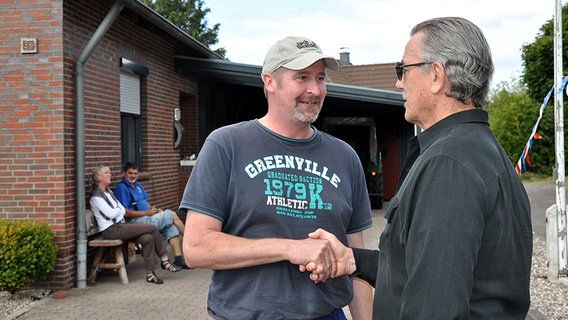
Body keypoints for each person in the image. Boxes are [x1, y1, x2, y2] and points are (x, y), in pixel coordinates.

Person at [308, 17, 533, 320]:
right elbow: (425, 268)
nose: (399, 82)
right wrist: (353, 260)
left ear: (437, 76)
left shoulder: (449, 164)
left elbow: (434, 306)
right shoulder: (478, 151)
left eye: (403, 69)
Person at [179, 36, 374, 320]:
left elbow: (357, 263)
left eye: (320, 78)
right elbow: (196, 248)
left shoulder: (345, 157)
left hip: (327, 314)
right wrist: (290, 248)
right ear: (270, 82)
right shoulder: (226, 145)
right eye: (302, 77)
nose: (314, 89)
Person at [89, 164, 182, 284]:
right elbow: (114, 213)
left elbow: (120, 210)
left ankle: (150, 274)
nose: (110, 174)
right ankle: (165, 260)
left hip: (120, 226)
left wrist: (117, 210)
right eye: (106, 173)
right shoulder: (96, 197)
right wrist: (118, 210)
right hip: (111, 230)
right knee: (152, 228)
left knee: (147, 238)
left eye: (110, 172)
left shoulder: (108, 192)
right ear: (98, 177)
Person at [114, 161, 188, 269]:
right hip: (134, 222)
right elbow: (125, 212)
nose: (133, 176)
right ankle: (192, 242)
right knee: (171, 215)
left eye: (135, 173)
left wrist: (155, 210)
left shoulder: (137, 185)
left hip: (147, 217)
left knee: (170, 227)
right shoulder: (122, 188)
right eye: (130, 173)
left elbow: (144, 202)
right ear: (124, 173)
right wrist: (147, 213)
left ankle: (179, 259)